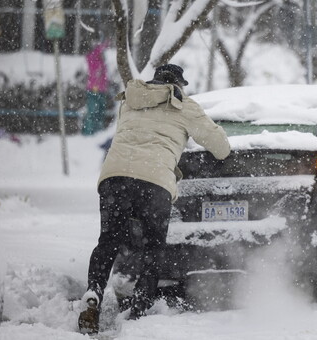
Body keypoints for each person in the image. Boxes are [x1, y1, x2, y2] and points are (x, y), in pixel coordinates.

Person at [78, 64, 231, 334]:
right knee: (153, 247)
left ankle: (93, 294)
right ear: (178, 85)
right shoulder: (185, 106)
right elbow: (221, 149)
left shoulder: (130, 101)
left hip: (114, 179)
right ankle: (139, 306)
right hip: (154, 183)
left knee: (109, 241)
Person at [82, 39, 109, 135]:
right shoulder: (92, 57)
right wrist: (106, 42)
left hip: (101, 89)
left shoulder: (100, 60)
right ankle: (89, 132)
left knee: (100, 112)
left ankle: (97, 132)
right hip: (94, 89)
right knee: (92, 112)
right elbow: (100, 49)